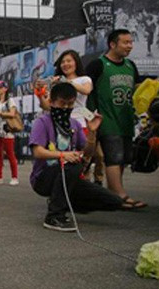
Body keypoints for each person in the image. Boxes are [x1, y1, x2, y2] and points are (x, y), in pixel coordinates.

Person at [30, 82, 123, 231]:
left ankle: (62, 201)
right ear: (52, 102)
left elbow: (87, 152)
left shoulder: (74, 124)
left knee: (114, 201)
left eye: (70, 104)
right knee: (72, 164)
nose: (66, 108)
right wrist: (63, 155)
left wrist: (92, 131)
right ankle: (54, 216)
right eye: (62, 103)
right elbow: (37, 152)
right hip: (43, 178)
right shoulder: (42, 122)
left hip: (69, 176)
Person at [85, 29, 144, 208]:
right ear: (112, 44)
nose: (130, 46)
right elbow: (86, 90)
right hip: (106, 120)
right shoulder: (98, 65)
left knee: (124, 158)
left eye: (131, 42)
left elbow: (137, 89)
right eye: (126, 42)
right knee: (114, 157)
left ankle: (113, 195)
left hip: (125, 120)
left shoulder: (130, 65)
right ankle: (120, 195)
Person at [49, 49, 102, 184]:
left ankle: (87, 183)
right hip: (60, 122)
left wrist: (67, 82)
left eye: (69, 61)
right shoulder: (57, 82)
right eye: (63, 62)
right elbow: (49, 102)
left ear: (76, 63)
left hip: (80, 121)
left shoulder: (84, 79)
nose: (65, 64)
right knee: (63, 157)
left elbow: (87, 90)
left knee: (83, 157)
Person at [0, 79, 19, 185]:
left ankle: (14, 177)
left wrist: (0, 113)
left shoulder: (10, 100)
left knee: (10, 154)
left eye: (0, 87)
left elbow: (12, 114)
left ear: (5, 89)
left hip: (7, 130)